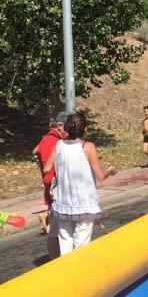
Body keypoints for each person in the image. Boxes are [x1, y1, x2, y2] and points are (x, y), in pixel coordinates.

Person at [43, 112, 117, 255]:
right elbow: (100, 176)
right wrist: (110, 170)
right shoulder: (88, 147)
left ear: (66, 128)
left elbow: (47, 168)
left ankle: (66, 273)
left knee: (65, 245)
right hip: (84, 204)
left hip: (63, 205)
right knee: (81, 249)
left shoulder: (58, 145)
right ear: (85, 130)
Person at [32, 111, 68, 259]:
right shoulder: (52, 141)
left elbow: (35, 151)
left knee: (58, 230)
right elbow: (48, 175)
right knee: (57, 232)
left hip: (53, 191)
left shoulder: (49, 138)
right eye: (69, 127)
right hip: (56, 191)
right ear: (60, 126)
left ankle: (57, 261)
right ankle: (56, 262)